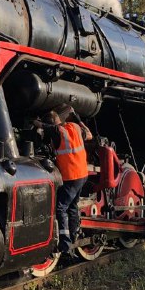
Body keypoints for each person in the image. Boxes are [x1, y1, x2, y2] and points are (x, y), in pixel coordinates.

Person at [34, 103, 93, 255]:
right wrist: (77, 117)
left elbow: (40, 125)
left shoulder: (57, 131)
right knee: (72, 205)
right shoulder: (75, 127)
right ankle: (73, 235)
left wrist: (33, 121)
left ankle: (65, 243)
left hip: (71, 176)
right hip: (82, 174)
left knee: (61, 207)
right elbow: (90, 135)